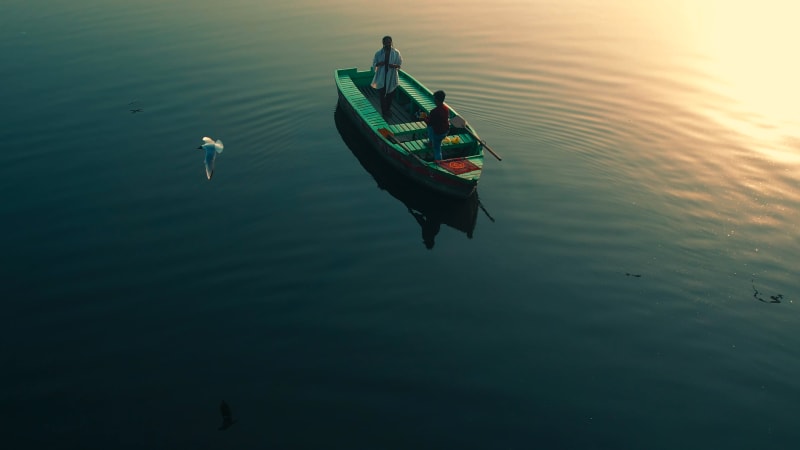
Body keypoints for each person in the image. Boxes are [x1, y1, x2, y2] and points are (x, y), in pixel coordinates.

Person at [371, 36, 403, 117]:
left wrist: (394, 66)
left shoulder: (396, 53)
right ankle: (384, 111)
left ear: (391, 42)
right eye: (386, 42)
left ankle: (388, 110)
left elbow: (399, 65)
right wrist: (379, 64)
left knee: (390, 95)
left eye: (389, 42)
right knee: (382, 95)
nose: (388, 44)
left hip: (391, 77)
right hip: (382, 77)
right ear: (383, 43)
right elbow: (374, 64)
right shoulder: (379, 53)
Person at [424, 90, 450, 161]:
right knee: (430, 128)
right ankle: (430, 142)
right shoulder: (446, 109)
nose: (433, 100)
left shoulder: (434, 111)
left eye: (434, 98)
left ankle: (439, 163)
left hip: (439, 134)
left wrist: (424, 118)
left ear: (437, 100)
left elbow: (429, 123)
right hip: (446, 131)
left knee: (437, 149)